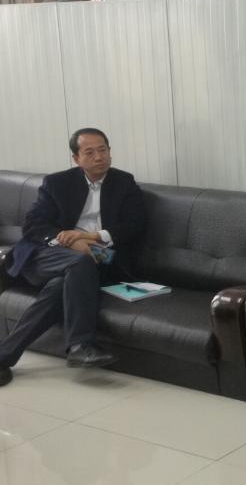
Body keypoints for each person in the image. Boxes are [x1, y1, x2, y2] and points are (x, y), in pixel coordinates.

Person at [0, 128, 145, 387]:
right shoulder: (57, 183)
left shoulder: (124, 182)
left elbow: (134, 225)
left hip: (98, 252)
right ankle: (80, 344)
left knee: (63, 284)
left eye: (103, 150)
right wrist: (67, 241)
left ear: (110, 152)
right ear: (76, 158)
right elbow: (34, 225)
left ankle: (4, 357)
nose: (99, 157)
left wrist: (92, 237)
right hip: (49, 252)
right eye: (89, 152)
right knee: (80, 261)